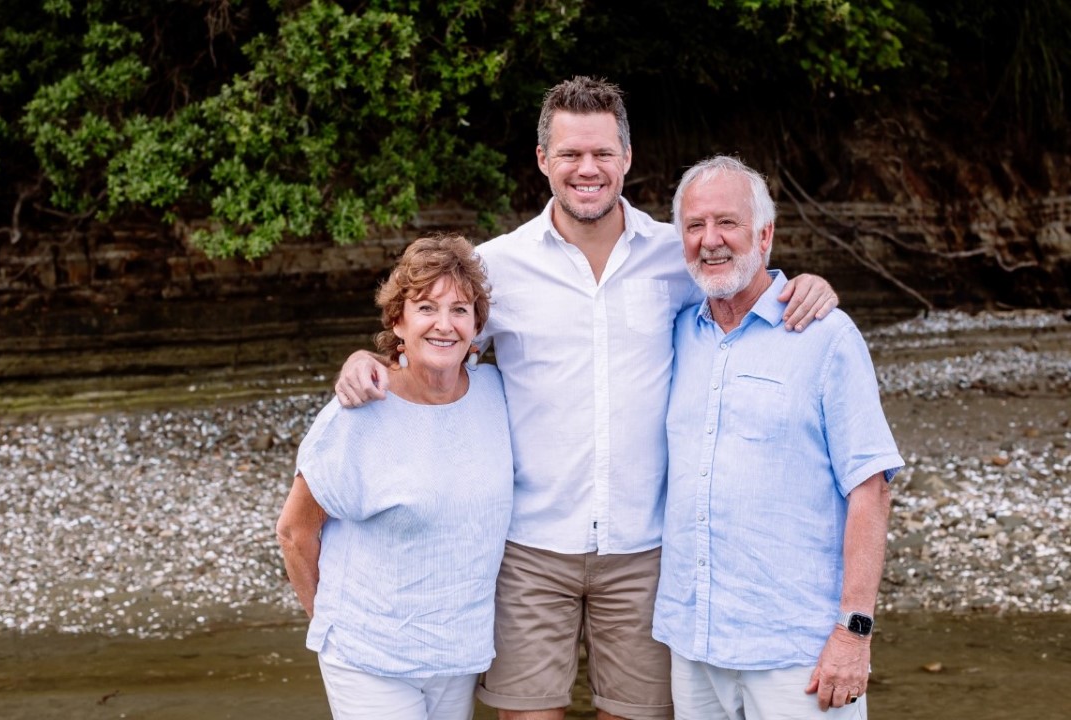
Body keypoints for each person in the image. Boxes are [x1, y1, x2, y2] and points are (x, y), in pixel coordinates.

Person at [335, 77, 838, 720]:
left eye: (602, 152)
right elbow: (437, 346)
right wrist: (370, 360)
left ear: (627, 157)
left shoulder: (677, 255)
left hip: (646, 550)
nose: (587, 168)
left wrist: (808, 283)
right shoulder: (497, 266)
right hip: (530, 549)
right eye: (570, 154)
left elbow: (744, 284)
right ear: (543, 160)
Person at [652, 155, 904, 719]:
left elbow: (871, 490)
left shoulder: (826, 336)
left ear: (764, 235)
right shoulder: (676, 332)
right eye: (694, 226)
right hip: (694, 642)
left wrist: (854, 632)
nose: (710, 240)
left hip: (797, 651)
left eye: (727, 222)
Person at [276, 234, 513, 720]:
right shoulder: (359, 412)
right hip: (369, 658)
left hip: (457, 655)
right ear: (397, 321)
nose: (444, 324)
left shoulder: (497, 395)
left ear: (476, 326)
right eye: (426, 308)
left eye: (460, 310)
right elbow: (295, 532)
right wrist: (334, 627)